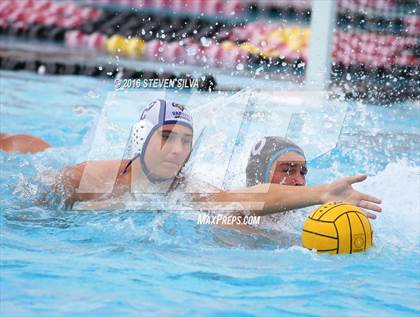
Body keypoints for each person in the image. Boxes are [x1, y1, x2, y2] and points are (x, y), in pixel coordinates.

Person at [2, 99, 382, 217]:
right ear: (141, 138)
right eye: (166, 137)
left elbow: (245, 199)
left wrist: (319, 193)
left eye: (186, 141)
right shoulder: (85, 178)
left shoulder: (186, 191)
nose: (177, 150)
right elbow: (29, 208)